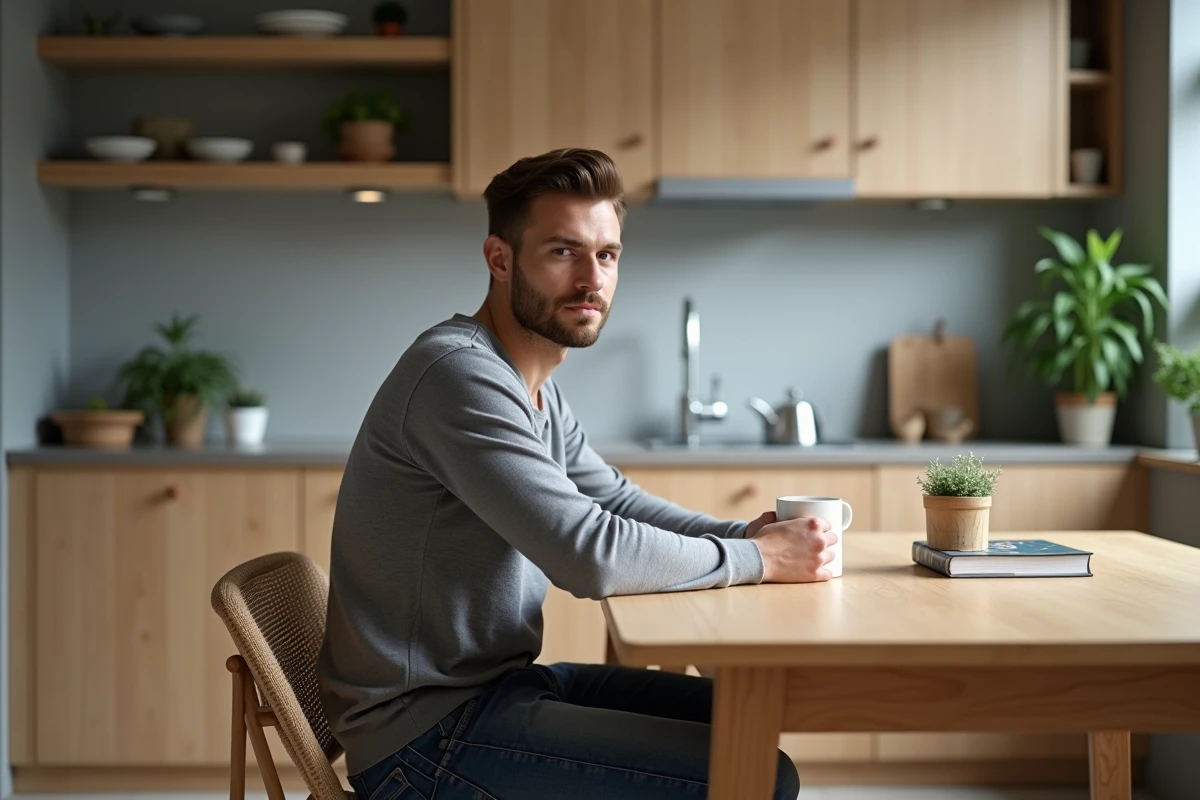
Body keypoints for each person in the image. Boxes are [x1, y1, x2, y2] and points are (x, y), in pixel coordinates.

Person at [317, 148, 837, 800]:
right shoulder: (460, 375)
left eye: (608, 254)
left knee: (744, 725)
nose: (592, 278)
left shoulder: (528, 381)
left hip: (495, 690)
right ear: (499, 259)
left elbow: (610, 499)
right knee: (757, 774)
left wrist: (744, 535)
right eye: (564, 252)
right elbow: (587, 554)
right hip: (424, 735)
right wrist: (756, 559)